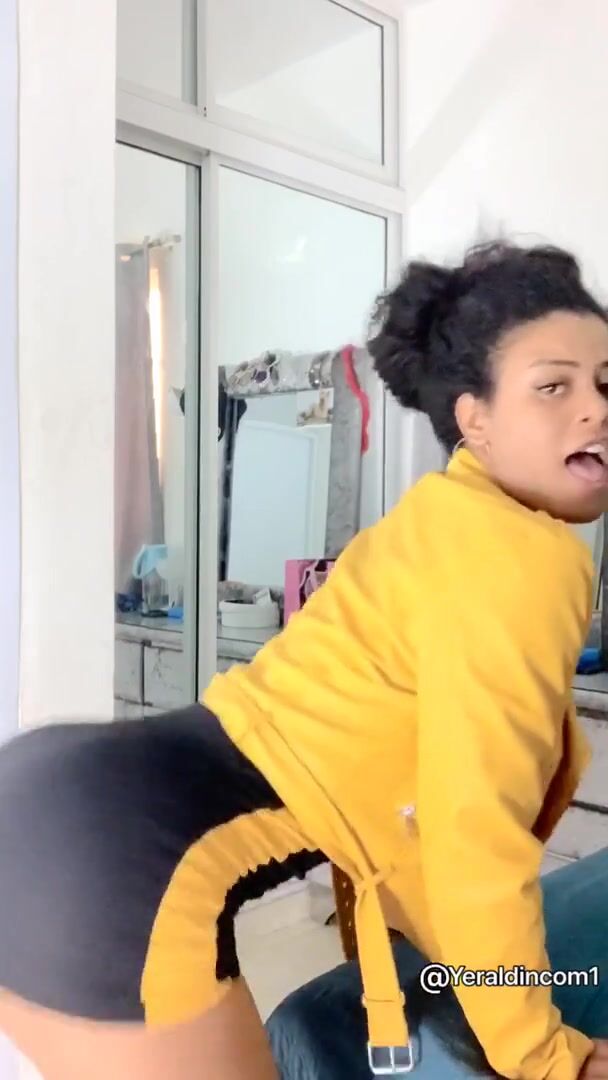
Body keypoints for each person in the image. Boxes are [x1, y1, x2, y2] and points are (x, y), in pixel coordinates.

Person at [1, 239, 608, 1080]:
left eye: (605, 382)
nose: (596, 409)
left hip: (54, 798)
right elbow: (475, 838)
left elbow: (417, 827)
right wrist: (543, 1055)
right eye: (554, 386)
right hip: (113, 858)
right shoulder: (524, 558)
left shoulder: (434, 522)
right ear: (475, 418)